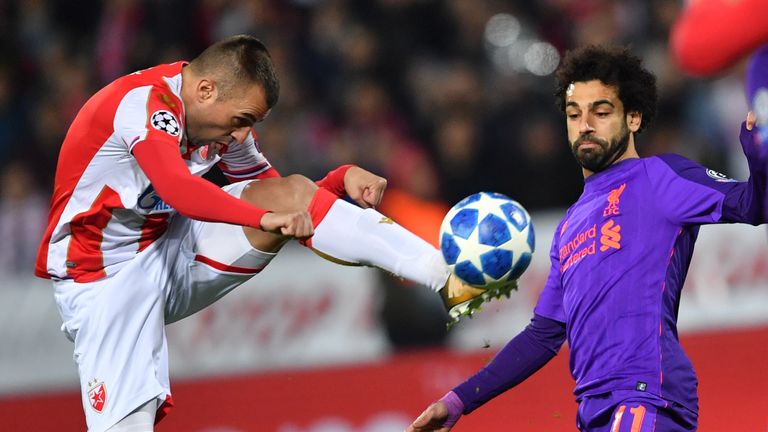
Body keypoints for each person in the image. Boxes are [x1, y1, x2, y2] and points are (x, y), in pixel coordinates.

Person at [34, 35, 480, 432]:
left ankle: (444, 274)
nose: (243, 134)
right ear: (205, 90)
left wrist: (335, 181)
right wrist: (262, 219)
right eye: (241, 119)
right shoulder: (142, 104)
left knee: (295, 197)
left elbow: (281, 196)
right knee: (129, 423)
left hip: (170, 244)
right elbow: (179, 188)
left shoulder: (219, 118)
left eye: (253, 123)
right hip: (102, 279)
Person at [407, 45, 767, 432]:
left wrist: (760, 160)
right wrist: (458, 400)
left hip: (645, 396)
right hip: (594, 412)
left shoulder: (661, 177)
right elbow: (542, 336)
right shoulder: (568, 227)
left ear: (633, 117)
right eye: (574, 114)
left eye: (601, 111)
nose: (585, 125)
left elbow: (753, 207)